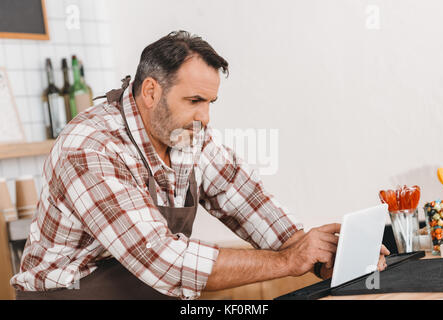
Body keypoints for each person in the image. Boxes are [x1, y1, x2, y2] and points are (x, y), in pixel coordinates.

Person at [10, 31, 389, 300]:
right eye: (194, 100)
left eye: (210, 103)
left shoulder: (185, 135)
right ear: (150, 92)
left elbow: (248, 201)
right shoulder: (91, 147)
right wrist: (290, 260)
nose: (204, 118)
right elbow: (162, 260)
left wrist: (323, 253)